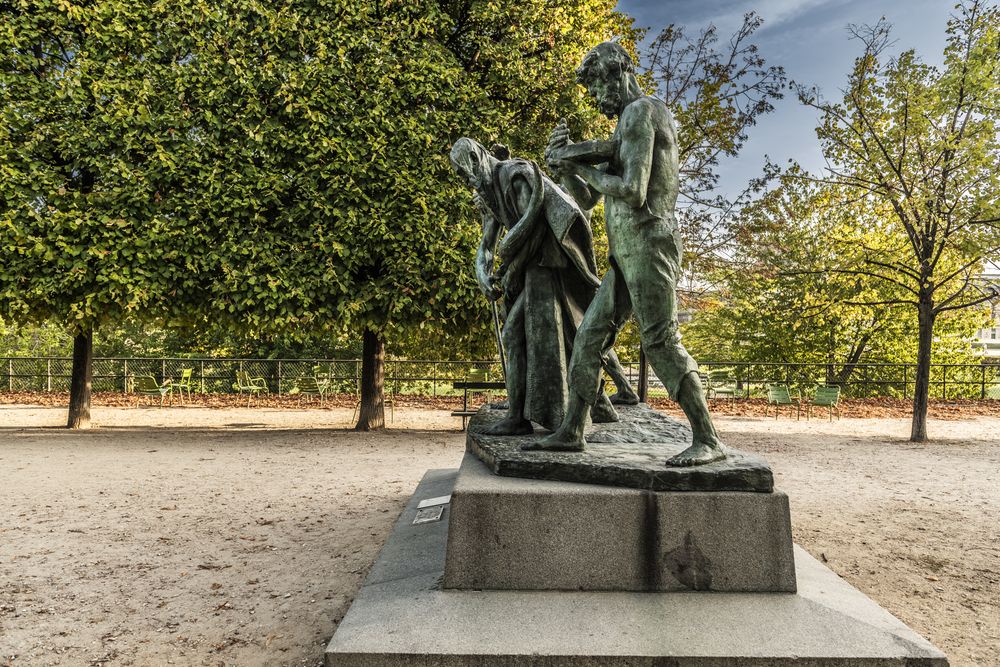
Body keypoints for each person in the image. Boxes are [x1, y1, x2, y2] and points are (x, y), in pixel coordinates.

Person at [529, 42, 726, 467]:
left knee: (660, 340)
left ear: (618, 71)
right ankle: (572, 431)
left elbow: (634, 191)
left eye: (599, 86)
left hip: (650, 244)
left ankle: (708, 438)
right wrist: (566, 168)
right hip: (625, 254)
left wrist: (577, 161)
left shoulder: (642, 112)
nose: (598, 98)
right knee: (588, 337)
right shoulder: (624, 127)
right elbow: (587, 198)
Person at [449, 138, 638, 436]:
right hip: (534, 267)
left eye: (463, 172)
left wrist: (510, 270)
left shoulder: (516, 175)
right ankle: (596, 404)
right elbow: (487, 244)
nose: (465, 181)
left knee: (520, 334)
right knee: (569, 334)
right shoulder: (489, 190)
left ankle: (520, 416)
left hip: (549, 264)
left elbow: (535, 226)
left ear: (475, 158)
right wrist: (483, 275)